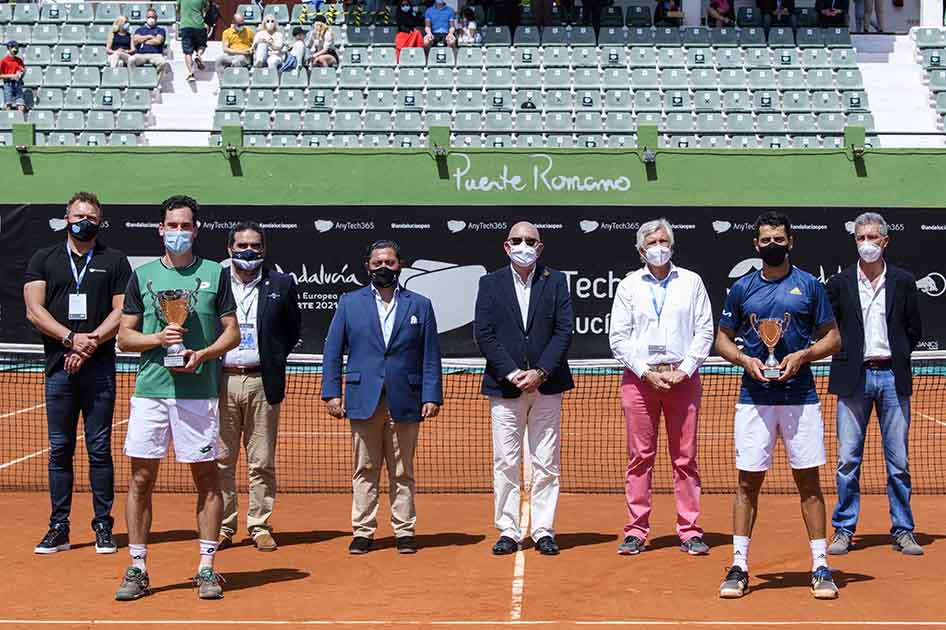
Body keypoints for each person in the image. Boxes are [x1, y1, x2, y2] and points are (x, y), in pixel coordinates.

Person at [114, 196, 240, 601]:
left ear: (196, 231)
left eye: (186, 226)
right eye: (173, 225)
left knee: (206, 479)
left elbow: (232, 333)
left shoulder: (215, 276)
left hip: (197, 394)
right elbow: (124, 337)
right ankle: (137, 566)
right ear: (161, 229)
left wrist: (202, 354)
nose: (179, 232)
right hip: (151, 392)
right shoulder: (142, 276)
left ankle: (206, 567)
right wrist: (157, 339)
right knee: (140, 479)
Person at [715, 211, 842, 600]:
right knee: (746, 483)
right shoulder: (741, 289)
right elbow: (722, 339)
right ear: (756, 245)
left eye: (779, 239)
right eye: (766, 239)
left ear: (791, 242)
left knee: (809, 482)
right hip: (754, 399)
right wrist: (744, 359)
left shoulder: (809, 286)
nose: (772, 245)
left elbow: (833, 339)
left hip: (800, 398)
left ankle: (820, 566)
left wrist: (803, 355)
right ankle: (739, 565)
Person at [24, 192, 131, 556]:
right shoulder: (44, 258)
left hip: (99, 371)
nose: (83, 220)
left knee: (99, 449)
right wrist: (71, 339)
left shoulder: (115, 260)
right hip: (58, 371)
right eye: (77, 214)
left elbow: (122, 312)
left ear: (100, 222)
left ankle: (103, 526)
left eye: (90, 216)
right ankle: (59, 527)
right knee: (60, 450)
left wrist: (89, 345)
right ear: (66, 218)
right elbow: (33, 310)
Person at [322, 240, 443, 555]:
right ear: (367, 266)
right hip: (364, 397)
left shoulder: (420, 304)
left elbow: (431, 355)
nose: (383, 268)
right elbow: (333, 351)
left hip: (407, 397)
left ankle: (404, 530)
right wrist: (332, 393)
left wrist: (432, 395)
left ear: (400, 264)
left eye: (389, 262)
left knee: (403, 470)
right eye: (377, 263)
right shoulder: (350, 303)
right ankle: (363, 531)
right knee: (365, 468)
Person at [608, 219, 714, 557]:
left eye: (664, 240)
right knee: (640, 457)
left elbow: (705, 332)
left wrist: (684, 370)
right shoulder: (628, 286)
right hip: (640, 383)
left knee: (685, 459)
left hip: (683, 381)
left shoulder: (692, 282)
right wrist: (644, 372)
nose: (659, 246)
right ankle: (636, 531)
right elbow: (618, 338)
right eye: (652, 242)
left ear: (672, 245)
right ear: (641, 250)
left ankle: (690, 530)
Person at [474, 222, 574, 557]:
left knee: (546, 462)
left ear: (540, 247)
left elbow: (563, 331)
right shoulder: (489, 284)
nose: (524, 245)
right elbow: (484, 333)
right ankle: (508, 529)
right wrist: (515, 372)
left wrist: (542, 372)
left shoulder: (556, 281)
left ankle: (543, 529)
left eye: (530, 241)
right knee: (505, 460)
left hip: (548, 386)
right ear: (506, 246)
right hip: (505, 386)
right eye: (517, 240)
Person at [826, 212, 923, 556]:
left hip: (893, 378)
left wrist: (895, 355)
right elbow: (828, 329)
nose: (866, 244)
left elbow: (914, 329)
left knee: (898, 462)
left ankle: (903, 529)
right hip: (853, 379)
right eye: (860, 238)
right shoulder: (838, 284)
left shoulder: (904, 281)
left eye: (872, 237)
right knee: (847, 461)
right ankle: (843, 530)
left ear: (885, 241)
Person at [216, 222, 300, 553]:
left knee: (261, 460)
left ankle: (259, 523)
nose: (248, 251)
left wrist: (272, 357)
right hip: (221, 380)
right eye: (241, 245)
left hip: (263, 381)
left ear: (263, 249)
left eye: (255, 245)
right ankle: (223, 526)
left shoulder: (281, 283)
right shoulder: (217, 282)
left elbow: (292, 329)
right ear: (230, 249)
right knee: (222, 459)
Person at [129, 9, 167, 81]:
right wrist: (149, 36)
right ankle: (134, 80)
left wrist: (142, 40)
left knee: (163, 62)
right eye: (149, 17)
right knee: (131, 60)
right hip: (141, 55)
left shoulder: (161, 30)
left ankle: (154, 81)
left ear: (156, 18)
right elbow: (135, 40)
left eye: (153, 17)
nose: (151, 19)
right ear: (146, 18)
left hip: (156, 54)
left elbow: (158, 41)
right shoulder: (140, 30)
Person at [178, 0, 209, 82]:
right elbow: (207, 8)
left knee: (188, 52)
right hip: (199, 25)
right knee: (202, 45)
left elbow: (177, 8)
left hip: (185, 25)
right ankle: (198, 55)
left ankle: (191, 73)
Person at [0, 40, 26, 113]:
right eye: (14, 47)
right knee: (8, 105)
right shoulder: (4, 61)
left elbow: (22, 71)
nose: (16, 49)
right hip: (8, 84)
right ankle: (8, 121)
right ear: (9, 48)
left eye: (17, 47)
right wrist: (11, 76)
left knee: (21, 105)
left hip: (18, 84)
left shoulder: (19, 60)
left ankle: (19, 122)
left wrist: (22, 73)